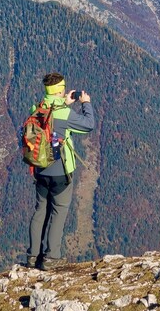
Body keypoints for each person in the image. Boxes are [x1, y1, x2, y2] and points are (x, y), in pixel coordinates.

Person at [25, 72, 95, 270]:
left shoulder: (37, 109)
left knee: (40, 211)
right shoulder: (64, 113)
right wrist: (85, 103)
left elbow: (52, 122)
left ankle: (33, 256)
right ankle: (52, 257)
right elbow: (88, 125)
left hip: (39, 170)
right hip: (60, 172)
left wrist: (64, 103)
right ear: (61, 90)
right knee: (58, 212)